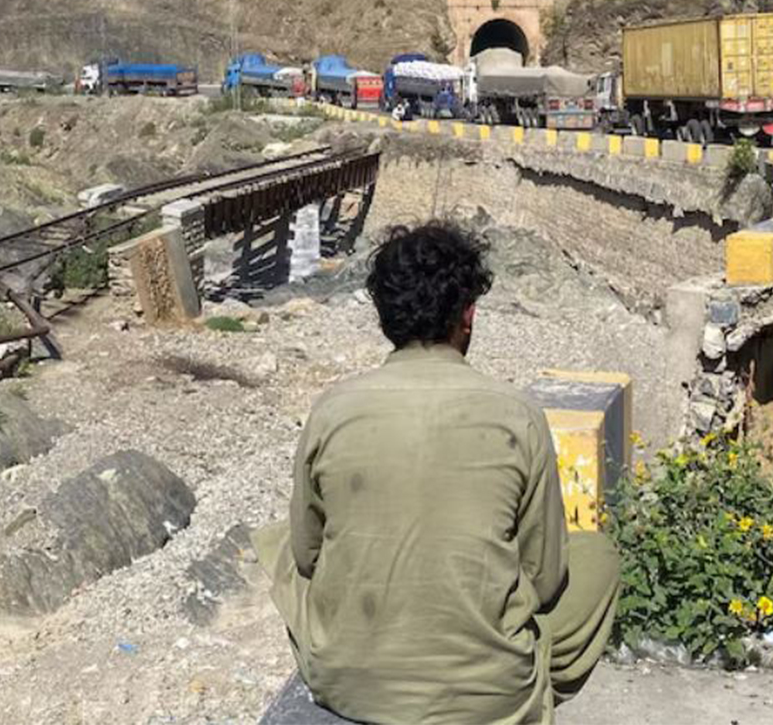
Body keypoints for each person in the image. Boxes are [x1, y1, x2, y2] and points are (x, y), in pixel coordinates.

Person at [253, 221, 620, 725]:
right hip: (492, 695)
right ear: (467, 314)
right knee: (595, 554)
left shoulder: (332, 409)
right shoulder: (518, 413)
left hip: (345, 685)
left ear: (384, 317)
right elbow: (546, 573)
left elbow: (307, 553)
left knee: (278, 547)